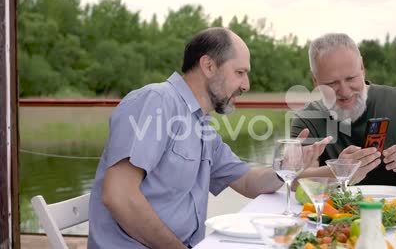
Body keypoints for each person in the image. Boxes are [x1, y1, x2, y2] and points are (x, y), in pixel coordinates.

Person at [87, 27, 330, 249]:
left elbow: (247, 182)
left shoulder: (202, 127)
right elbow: (118, 195)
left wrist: (286, 167)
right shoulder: (156, 101)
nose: (246, 85)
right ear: (209, 66)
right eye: (240, 72)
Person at [291, 33, 396, 194]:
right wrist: (339, 171)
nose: (345, 91)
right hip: (336, 219)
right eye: (332, 83)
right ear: (315, 80)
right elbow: (294, 180)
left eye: (351, 78)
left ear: (362, 68)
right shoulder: (308, 118)